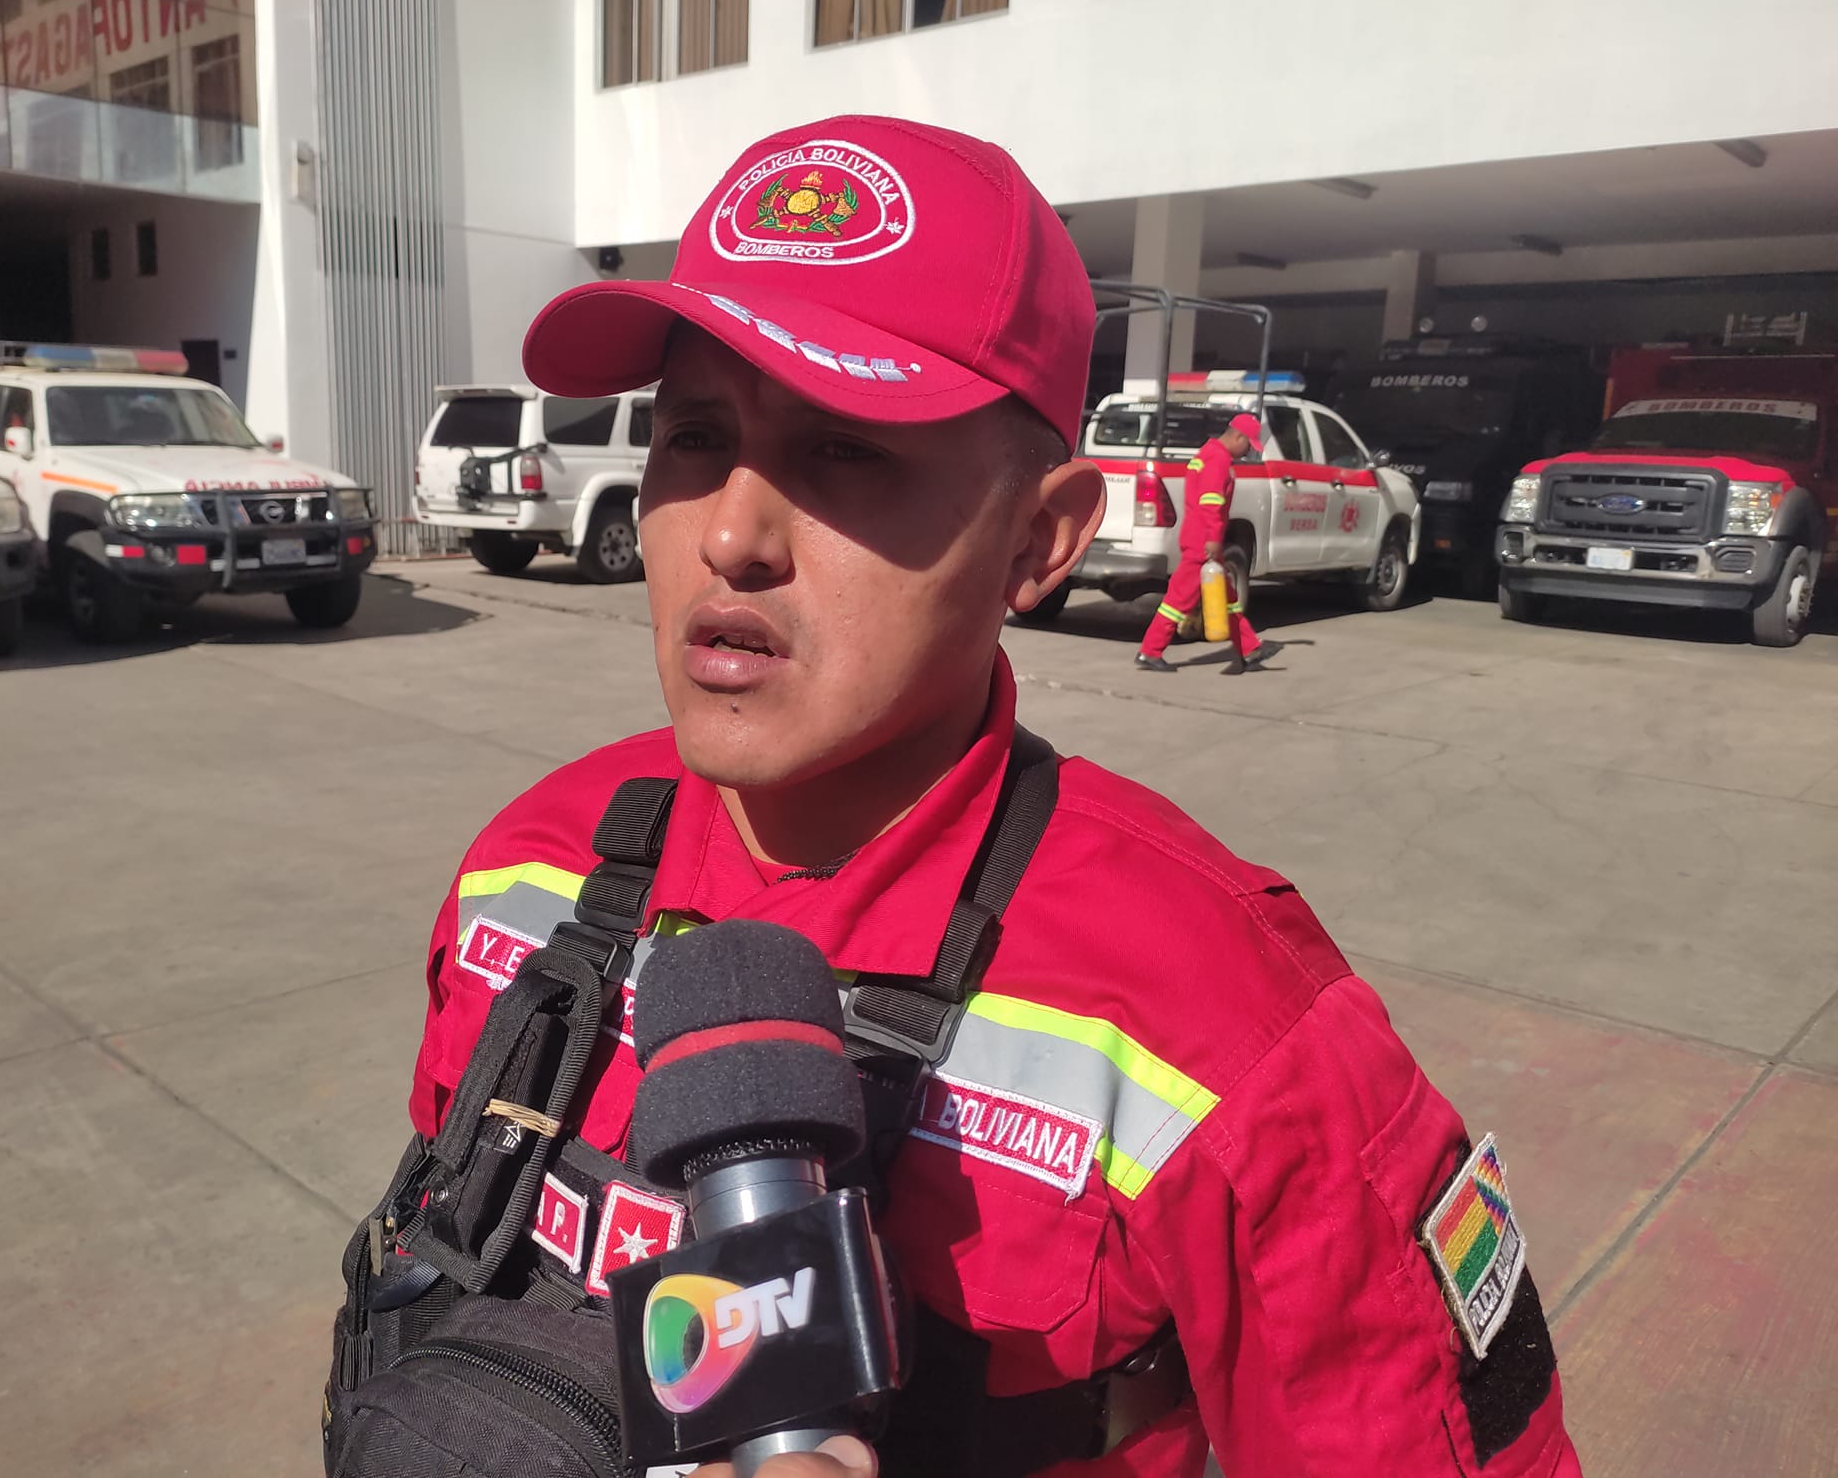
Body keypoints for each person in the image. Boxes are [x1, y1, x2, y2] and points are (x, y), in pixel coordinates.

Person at [398, 115, 1580, 1476]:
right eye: (694, 435)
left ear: (1040, 536)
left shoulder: (1231, 1030)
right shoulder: (526, 865)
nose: (728, 533)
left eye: (844, 452)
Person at [1133, 413, 1274, 674]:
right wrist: (1213, 538)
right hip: (1203, 543)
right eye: (1248, 445)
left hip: (1201, 539)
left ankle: (1250, 649)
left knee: (1228, 599)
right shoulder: (1218, 459)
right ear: (1238, 437)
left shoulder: (1207, 453)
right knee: (1178, 600)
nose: (1247, 452)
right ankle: (1150, 652)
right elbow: (1211, 502)